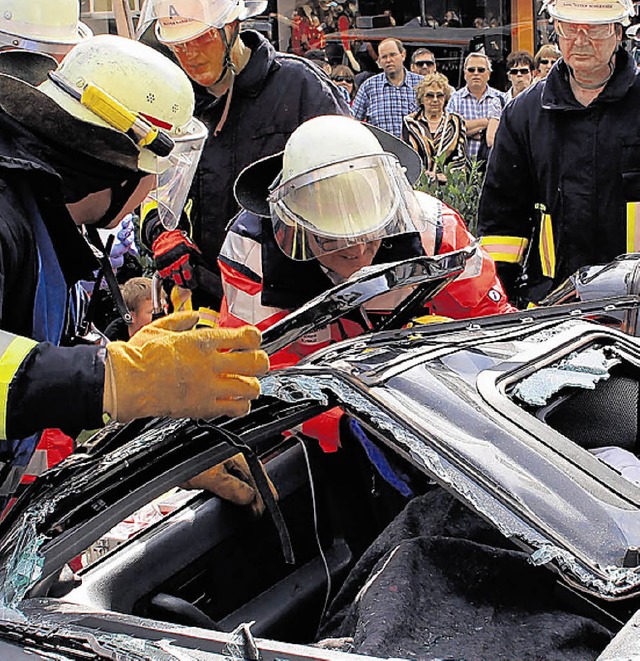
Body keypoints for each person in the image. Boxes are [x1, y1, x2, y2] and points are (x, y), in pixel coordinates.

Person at [0, 34, 269, 506]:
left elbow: (36, 392)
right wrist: (117, 378)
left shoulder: (40, 217)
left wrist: (150, 441)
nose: (151, 193)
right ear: (112, 166)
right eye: (155, 174)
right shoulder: (6, 219)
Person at [218, 115, 512, 369]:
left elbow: (494, 332)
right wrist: (343, 426)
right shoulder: (252, 250)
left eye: (372, 232)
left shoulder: (437, 231)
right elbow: (255, 368)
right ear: (297, 224)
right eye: (331, 239)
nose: (358, 250)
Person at [136, 0, 350, 311]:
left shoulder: (299, 86)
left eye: (200, 39)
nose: (190, 54)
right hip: (206, 296)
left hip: (294, 300)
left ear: (232, 25)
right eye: (178, 45)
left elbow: (351, 176)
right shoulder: (175, 104)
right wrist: (161, 232)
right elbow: (152, 183)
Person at [477, 0, 637, 306]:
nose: (580, 39)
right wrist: (500, 304)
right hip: (553, 304)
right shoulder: (524, 115)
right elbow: (503, 224)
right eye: (569, 27)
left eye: (593, 28)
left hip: (635, 304)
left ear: (618, 32)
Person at [402, 73, 469, 181]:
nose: (435, 99)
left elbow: (461, 157)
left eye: (440, 95)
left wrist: (445, 176)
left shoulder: (456, 122)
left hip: (448, 186)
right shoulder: (410, 123)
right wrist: (424, 174)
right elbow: (406, 156)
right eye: (429, 95)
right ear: (421, 99)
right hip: (418, 184)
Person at [352, 38, 423, 137]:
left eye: (393, 55)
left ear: (403, 55)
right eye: (384, 57)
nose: (389, 60)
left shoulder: (422, 85)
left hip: (415, 150)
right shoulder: (369, 87)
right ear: (379, 61)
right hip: (381, 150)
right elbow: (352, 122)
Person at [446, 52, 503, 161]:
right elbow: (452, 132)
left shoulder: (501, 98)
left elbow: (503, 133)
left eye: (481, 70)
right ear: (464, 74)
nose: (476, 73)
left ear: (489, 74)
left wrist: (466, 131)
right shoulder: (455, 99)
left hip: (492, 165)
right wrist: (489, 122)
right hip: (461, 167)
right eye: (471, 70)